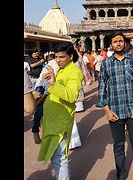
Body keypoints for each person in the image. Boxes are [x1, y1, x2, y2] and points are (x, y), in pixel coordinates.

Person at [96, 32, 133, 180]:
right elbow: (102, 89)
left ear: (125, 43)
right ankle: (121, 175)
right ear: (111, 44)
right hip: (115, 111)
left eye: (121, 41)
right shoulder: (106, 64)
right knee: (118, 146)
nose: (118, 44)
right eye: (115, 41)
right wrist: (106, 110)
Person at [37, 42, 83, 179]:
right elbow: (56, 91)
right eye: (56, 57)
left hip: (60, 121)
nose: (58, 60)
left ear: (70, 56)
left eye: (61, 57)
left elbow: (72, 95)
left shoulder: (74, 72)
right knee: (54, 155)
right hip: (53, 119)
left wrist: (54, 83)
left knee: (59, 157)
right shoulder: (62, 70)